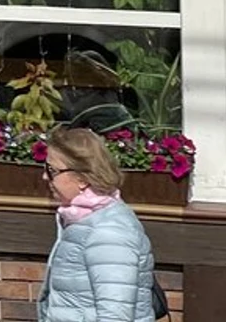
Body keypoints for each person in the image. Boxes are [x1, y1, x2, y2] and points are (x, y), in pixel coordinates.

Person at [38, 125, 161, 322]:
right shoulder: (80, 219)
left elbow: (116, 316)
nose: (45, 176)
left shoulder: (109, 232)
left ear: (82, 179)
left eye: (52, 170)